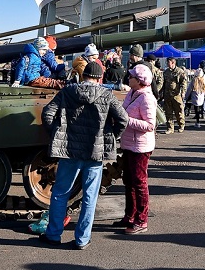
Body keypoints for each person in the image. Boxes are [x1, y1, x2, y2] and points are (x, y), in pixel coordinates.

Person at [40, 60, 128, 250]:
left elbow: (48, 113)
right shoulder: (107, 95)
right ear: (99, 78)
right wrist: (111, 135)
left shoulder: (68, 91)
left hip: (69, 150)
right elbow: (123, 119)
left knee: (60, 193)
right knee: (90, 196)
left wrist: (57, 133)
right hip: (95, 152)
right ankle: (82, 239)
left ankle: (53, 234)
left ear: (83, 75)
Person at [117, 63, 157, 235]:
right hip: (129, 144)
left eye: (132, 76)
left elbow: (150, 125)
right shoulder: (132, 93)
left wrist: (126, 120)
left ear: (139, 81)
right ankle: (130, 215)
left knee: (139, 183)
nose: (129, 77)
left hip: (140, 147)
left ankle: (142, 220)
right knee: (129, 181)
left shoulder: (147, 98)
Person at [161, 56, 188, 134]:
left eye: (168, 62)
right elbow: (163, 83)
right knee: (168, 112)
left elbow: (184, 82)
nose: (167, 64)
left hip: (176, 95)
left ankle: (181, 125)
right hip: (167, 95)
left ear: (173, 63)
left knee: (178, 111)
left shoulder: (179, 72)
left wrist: (183, 92)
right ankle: (170, 128)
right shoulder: (166, 72)